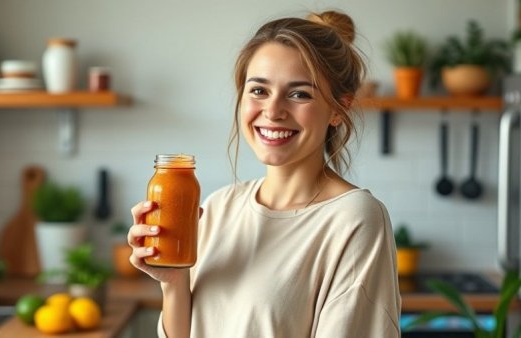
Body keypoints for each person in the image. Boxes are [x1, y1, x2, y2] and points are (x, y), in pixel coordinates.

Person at [128, 10, 401, 338]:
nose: (272, 111)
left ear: (338, 110)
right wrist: (173, 282)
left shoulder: (353, 219)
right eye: (259, 90)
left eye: (300, 94)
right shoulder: (219, 208)